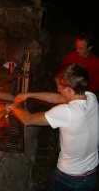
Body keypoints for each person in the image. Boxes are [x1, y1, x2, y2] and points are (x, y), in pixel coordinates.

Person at [9, 63, 99, 191]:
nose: (58, 90)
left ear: (69, 89)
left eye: (60, 88)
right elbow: (58, 98)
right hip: (91, 175)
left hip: (69, 178)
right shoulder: (91, 97)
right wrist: (29, 95)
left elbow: (28, 119)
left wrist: (13, 107)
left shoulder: (67, 112)